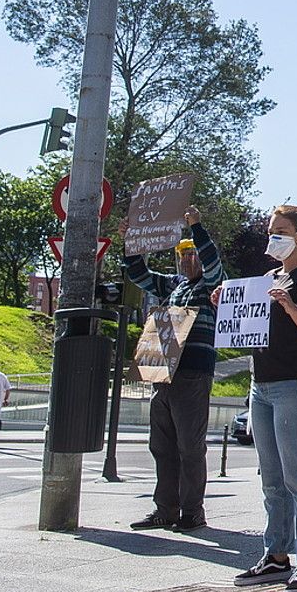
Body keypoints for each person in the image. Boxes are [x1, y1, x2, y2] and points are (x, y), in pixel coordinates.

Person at [226, 205, 297, 592]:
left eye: (281, 230)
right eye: (271, 230)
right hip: (262, 386)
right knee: (271, 478)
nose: (273, 236)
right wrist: (228, 303)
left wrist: (290, 305)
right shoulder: (267, 278)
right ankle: (276, 554)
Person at [120, 206, 225, 533]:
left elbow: (213, 266)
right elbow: (139, 275)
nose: (187, 260)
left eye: (191, 254)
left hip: (192, 372)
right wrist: (132, 243)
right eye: (182, 255)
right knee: (162, 445)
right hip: (164, 372)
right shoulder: (174, 286)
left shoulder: (212, 287)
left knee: (190, 446)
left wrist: (197, 228)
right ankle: (165, 509)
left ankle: (193, 511)